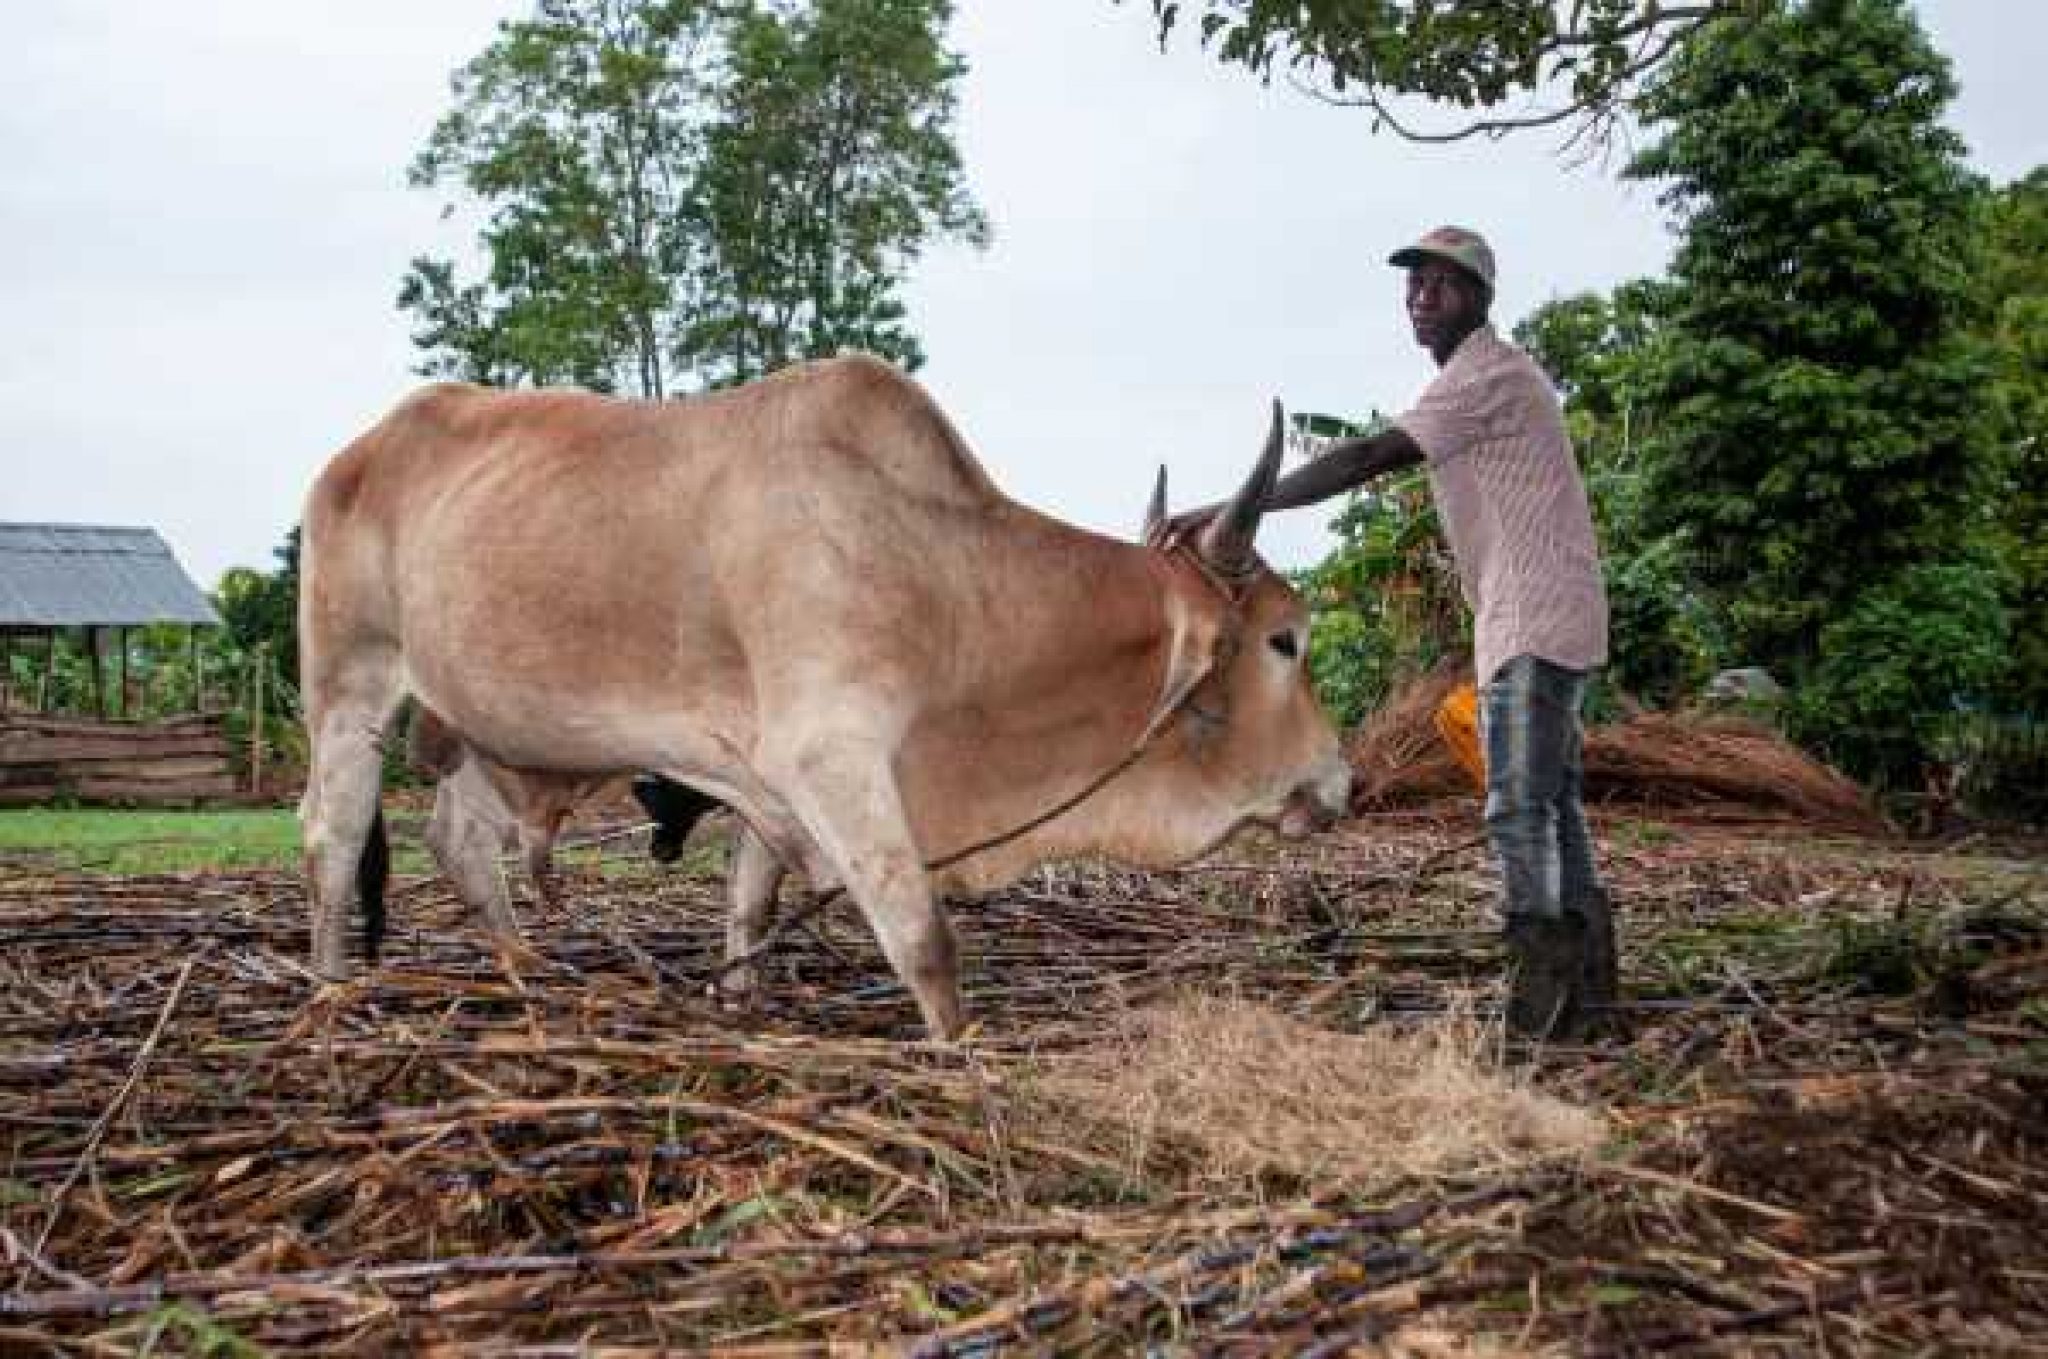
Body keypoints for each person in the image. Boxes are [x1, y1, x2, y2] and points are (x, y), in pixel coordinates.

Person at [1156, 226, 1614, 1040]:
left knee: (1517, 813)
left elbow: (1369, 454)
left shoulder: (1486, 374)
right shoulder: (1491, 380)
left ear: (1479, 298)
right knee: (1554, 806)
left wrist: (1242, 503)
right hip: (1544, 608)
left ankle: (1540, 1014)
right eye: (1413, 285)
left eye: (1441, 284)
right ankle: (1592, 1002)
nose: (1421, 298)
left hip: (1534, 614)